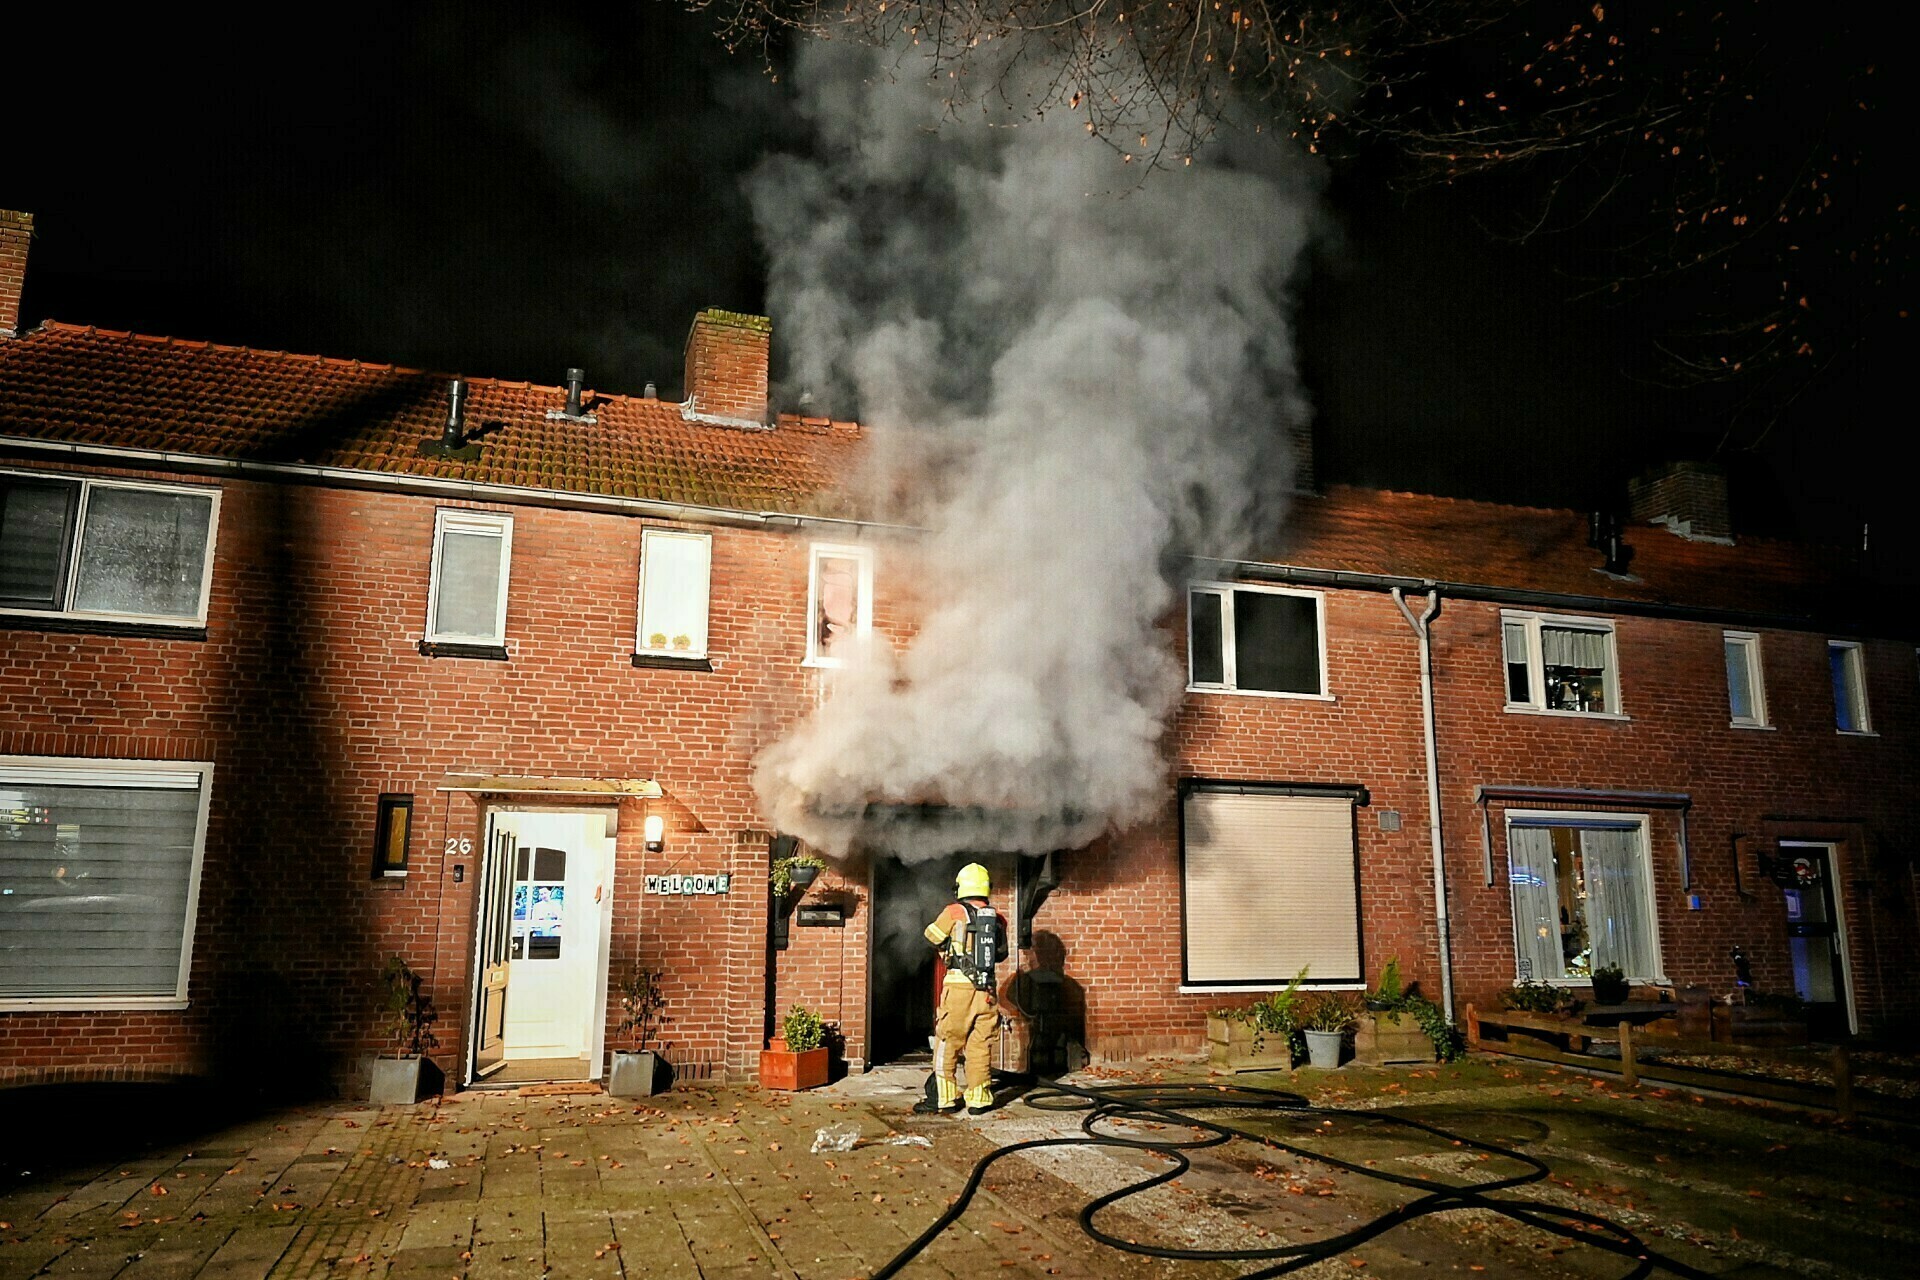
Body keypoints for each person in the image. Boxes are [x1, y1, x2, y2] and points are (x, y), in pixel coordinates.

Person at [914, 862, 1007, 1115]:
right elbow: (1000, 955)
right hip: (987, 991)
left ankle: (944, 1098)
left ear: (960, 888)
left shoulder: (954, 911)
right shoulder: (997, 917)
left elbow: (931, 935)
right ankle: (979, 1099)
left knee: (948, 1041)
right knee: (980, 1044)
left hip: (959, 988)